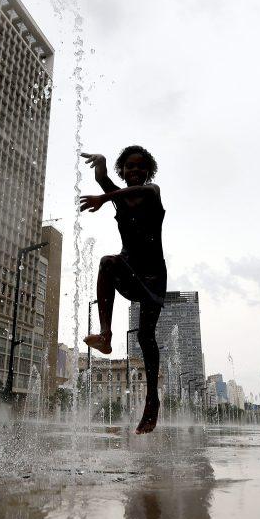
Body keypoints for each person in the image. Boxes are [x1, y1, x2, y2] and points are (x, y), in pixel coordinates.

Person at [79, 146, 166, 434]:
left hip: (152, 276)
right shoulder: (120, 197)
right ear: (123, 170)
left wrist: (105, 197)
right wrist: (101, 163)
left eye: (141, 167)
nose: (135, 171)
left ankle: (152, 402)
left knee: (145, 335)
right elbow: (103, 180)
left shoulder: (152, 192)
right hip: (128, 268)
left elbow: (127, 193)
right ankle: (105, 335)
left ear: (148, 171)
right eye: (129, 167)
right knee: (107, 263)